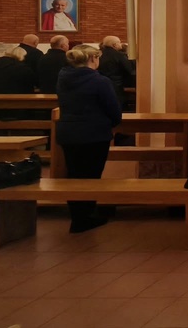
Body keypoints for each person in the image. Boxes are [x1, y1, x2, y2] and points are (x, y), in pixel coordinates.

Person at [56, 45, 121, 233]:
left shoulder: (63, 78)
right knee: (91, 175)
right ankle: (86, 217)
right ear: (93, 59)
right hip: (94, 133)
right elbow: (113, 109)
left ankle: (77, 216)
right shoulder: (100, 81)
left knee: (74, 174)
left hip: (68, 132)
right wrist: (112, 123)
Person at [99, 36, 135, 109]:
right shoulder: (119, 55)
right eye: (119, 42)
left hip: (100, 85)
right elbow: (130, 70)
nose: (121, 44)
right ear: (114, 45)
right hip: (116, 86)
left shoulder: (99, 54)